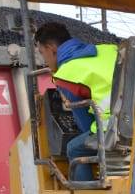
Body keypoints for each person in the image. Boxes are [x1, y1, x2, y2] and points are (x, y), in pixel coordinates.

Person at [33, 22, 118, 183]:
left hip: (112, 127)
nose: (44, 61)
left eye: (42, 53)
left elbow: (85, 124)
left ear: (51, 48)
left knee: (74, 148)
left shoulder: (66, 74)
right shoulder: (108, 50)